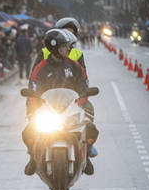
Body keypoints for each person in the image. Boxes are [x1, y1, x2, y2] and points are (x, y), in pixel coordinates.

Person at [22, 28, 98, 176]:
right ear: (54, 47)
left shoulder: (74, 66)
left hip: (71, 107)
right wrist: (35, 106)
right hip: (47, 109)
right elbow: (33, 88)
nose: (68, 49)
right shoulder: (41, 68)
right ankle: (32, 157)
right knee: (28, 131)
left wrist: (81, 100)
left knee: (91, 128)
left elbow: (83, 84)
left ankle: (87, 156)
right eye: (64, 46)